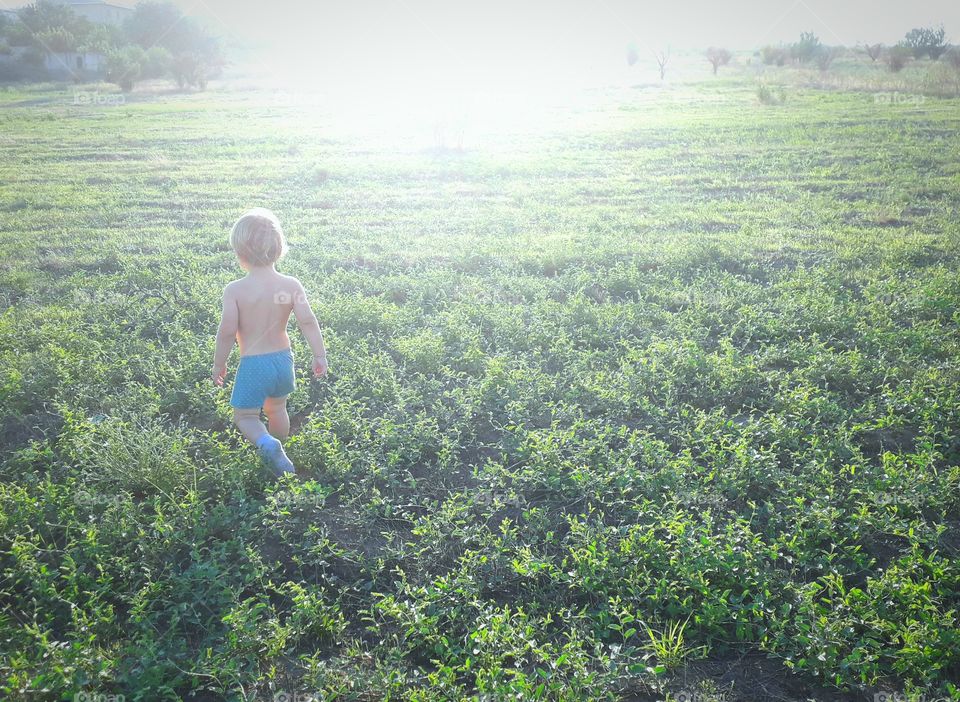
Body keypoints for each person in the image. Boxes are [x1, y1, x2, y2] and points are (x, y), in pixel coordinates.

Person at [211, 207, 328, 476]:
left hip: (254, 364)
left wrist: (219, 364)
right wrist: (319, 354)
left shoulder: (236, 290)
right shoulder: (291, 285)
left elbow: (227, 331)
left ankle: (268, 445)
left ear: (239, 253)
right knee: (277, 409)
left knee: (245, 416)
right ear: (278, 248)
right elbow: (308, 321)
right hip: (283, 360)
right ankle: (281, 451)